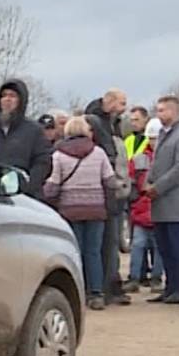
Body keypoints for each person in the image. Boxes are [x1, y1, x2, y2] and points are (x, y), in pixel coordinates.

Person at [45, 116, 119, 309]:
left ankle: (78, 292)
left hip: (70, 210)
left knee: (75, 253)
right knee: (93, 252)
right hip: (96, 209)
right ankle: (97, 293)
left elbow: (53, 185)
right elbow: (111, 181)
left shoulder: (59, 155)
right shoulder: (99, 153)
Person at [81, 89, 132, 306]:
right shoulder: (101, 128)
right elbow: (112, 165)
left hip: (108, 196)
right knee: (104, 244)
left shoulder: (113, 123)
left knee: (104, 244)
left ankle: (106, 285)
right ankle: (105, 287)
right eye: (121, 103)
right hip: (105, 197)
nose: (124, 107)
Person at [145, 95, 179, 304]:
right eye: (158, 110)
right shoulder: (164, 134)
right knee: (164, 248)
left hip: (174, 201)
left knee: (176, 247)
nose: (159, 114)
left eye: (163, 110)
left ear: (174, 111)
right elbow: (157, 163)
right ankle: (170, 287)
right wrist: (148, 181)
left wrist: (157, 187)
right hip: (160, 202)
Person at [126, 116, 161, 290]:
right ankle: (135, 278)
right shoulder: (139, 159)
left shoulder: (167, 158)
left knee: (158, 248)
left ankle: (156, 279)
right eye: (152, 138)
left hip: (158, 209)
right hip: (141, 211)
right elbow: (130, 181)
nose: (154, 142)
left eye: (157, 138)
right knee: (138, 246)